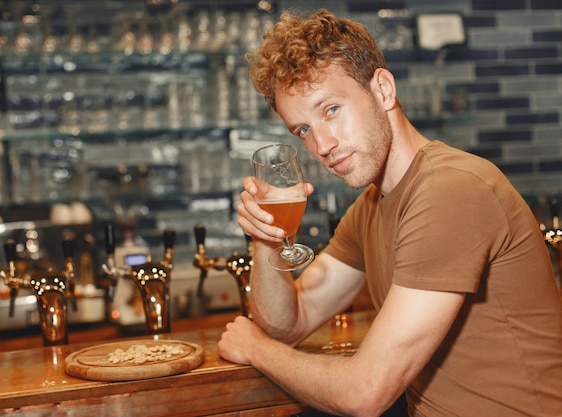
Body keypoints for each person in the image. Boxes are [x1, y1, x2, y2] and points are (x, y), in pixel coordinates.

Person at [217, 8, 562, 417]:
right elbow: (287, 323)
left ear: (382, 89)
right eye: (303, 130)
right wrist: (266, 237)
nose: (322, 145)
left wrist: (258, 351)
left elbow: (366, 392)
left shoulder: (451, 189)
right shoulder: (371, 207)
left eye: (330, 110)